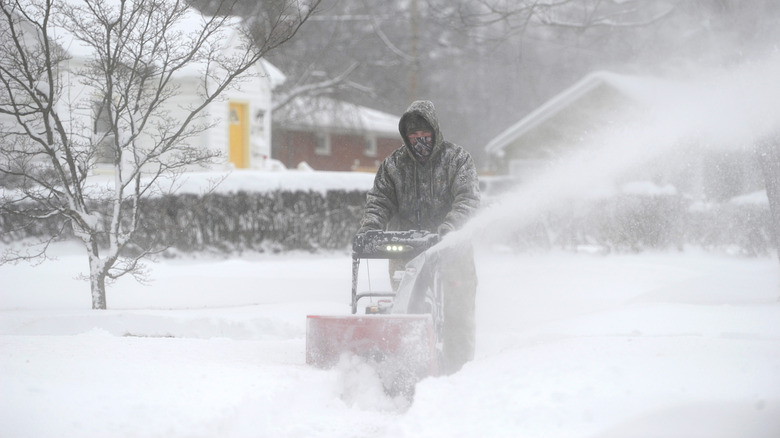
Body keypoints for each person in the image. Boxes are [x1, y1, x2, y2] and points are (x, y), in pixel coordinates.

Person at [358, 100, 480, 374]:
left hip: (452, 246)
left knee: (457, 310)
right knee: (406, 309)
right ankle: (408, 363)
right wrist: (371, 227)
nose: (418, 140)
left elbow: (468, 199)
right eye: (412, 136)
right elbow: (379, 200)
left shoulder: (457, 160)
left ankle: (457, 370)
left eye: (424, 135)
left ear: (435, 132)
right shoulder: (394, 166)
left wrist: (450, 227)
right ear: (405, 136)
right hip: (407, 248)